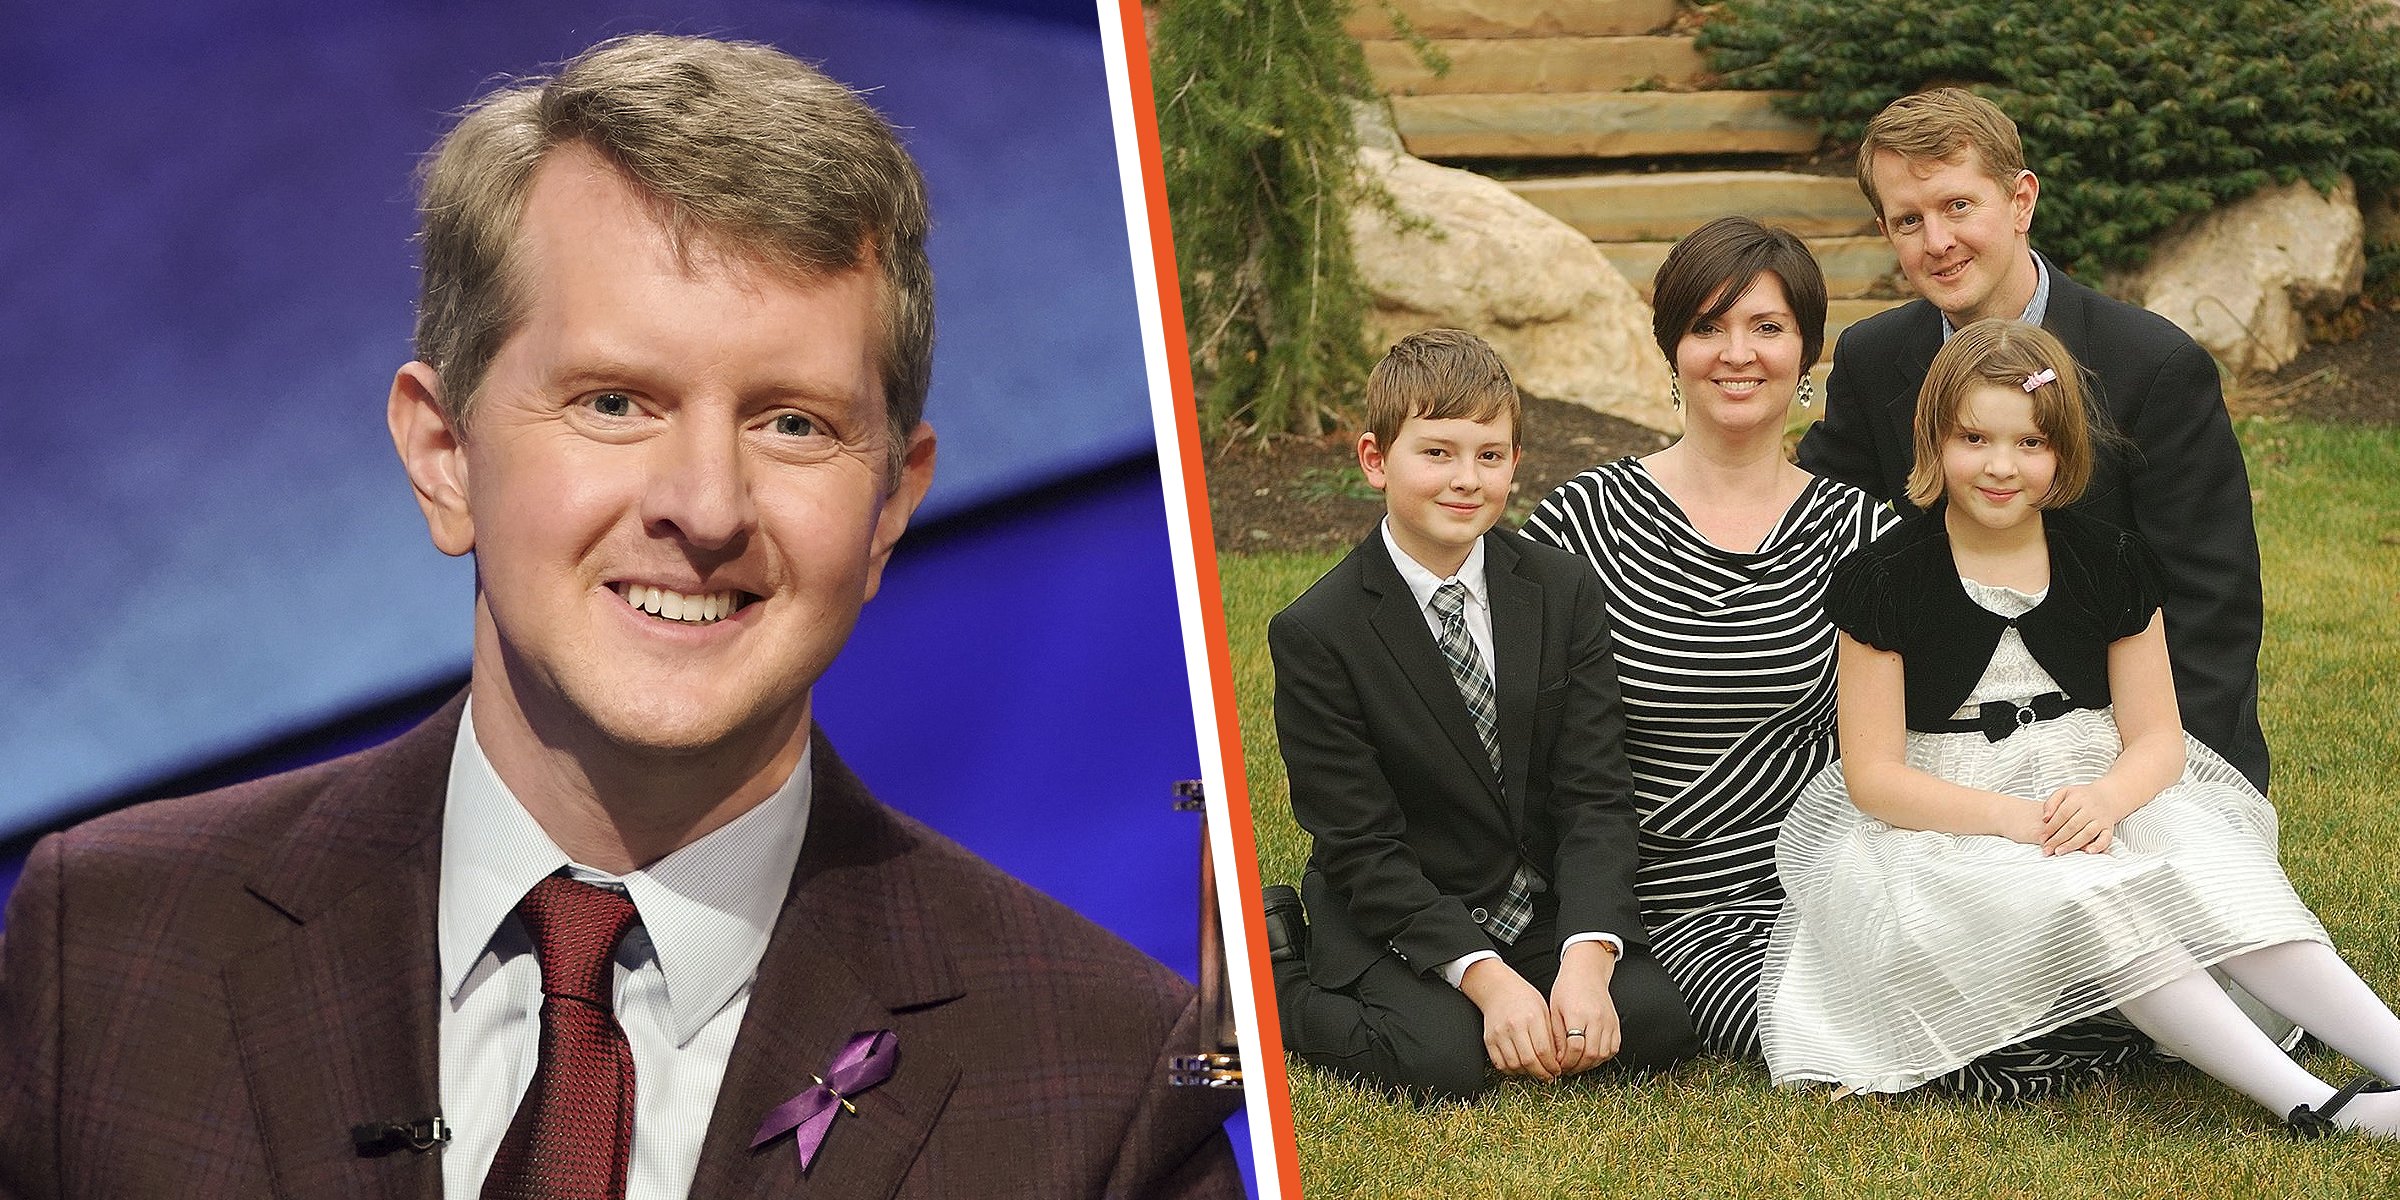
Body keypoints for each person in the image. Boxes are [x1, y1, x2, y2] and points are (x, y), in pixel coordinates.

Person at [0, 35, 1240, 1200]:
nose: (705, 508)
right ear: (443, 455)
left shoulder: (1106, 1081)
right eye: (614, 403)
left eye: (792, 423)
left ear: (889, 506)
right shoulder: (110, 945)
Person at [1760, 319, 2400, 1136]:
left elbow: (2160, 740)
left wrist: (2106, 800)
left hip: (2098, 785)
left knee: (2217, 878)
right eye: (1974, 438)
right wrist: (2014, 820)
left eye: (2030, 442)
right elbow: (1874, 778)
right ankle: (2316, 1106)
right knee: (2099, 899)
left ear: (2063, 453)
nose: (2001, 465)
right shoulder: (1883, 581)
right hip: (1953, 817)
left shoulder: (2113, 562)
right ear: (1933, 439)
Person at [1259, 328, 1698, 1104]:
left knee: (1656, 1021)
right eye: (1437, 453)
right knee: (1444, 1062)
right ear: (1374, 459)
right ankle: (1275, 975)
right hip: (1400, 901)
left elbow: (1597, 793)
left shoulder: (1561, 590)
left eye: (1490, 456)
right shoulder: (1317, 632)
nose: (1466, 479)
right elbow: (1360, 844)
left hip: (1532, 900)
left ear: (1514, 465)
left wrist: (1589, 958)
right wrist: (1488, 982)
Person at [1796, 87, 2269, 798]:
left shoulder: (2153, 366)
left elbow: (2213, 604)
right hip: (1938, 743)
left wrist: (2178, 794)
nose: (1937, 241)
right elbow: (1824, 529)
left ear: (2021, 201)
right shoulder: (1873, 358)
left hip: (2122, 746)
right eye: (1908, 220)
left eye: (1959, 206)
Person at [1522, 217, 1896, 1060]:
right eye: (1707, 327)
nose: (1738, 353)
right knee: (1844, 1042)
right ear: (1672, 351)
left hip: (1832, 874)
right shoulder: (1581, 524)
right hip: (1660, 901)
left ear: (1807, 355)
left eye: (1767, 328)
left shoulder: (1865, 534)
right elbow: (1524, 743)